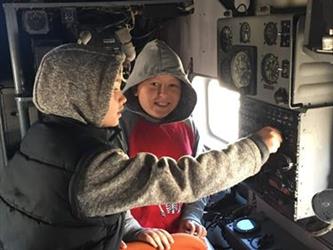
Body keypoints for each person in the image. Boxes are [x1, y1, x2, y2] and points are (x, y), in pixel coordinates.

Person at [0, 43, 282, 250]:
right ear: (82, 97)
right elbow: (182, 179)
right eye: (111, 91)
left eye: (173, 85)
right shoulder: (87, 164)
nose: (121, 98)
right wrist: (257, 147)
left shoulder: (45, 137)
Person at [119, 39, 212, 250]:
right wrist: (135, 230)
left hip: (179, 234)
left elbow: (202, 180)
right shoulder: (120, 126)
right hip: (135, 239)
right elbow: (107, 193)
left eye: (172, 85)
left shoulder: (190, 126)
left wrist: (193, 217)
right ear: (135, 89)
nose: (163, 94)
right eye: (154, 84)